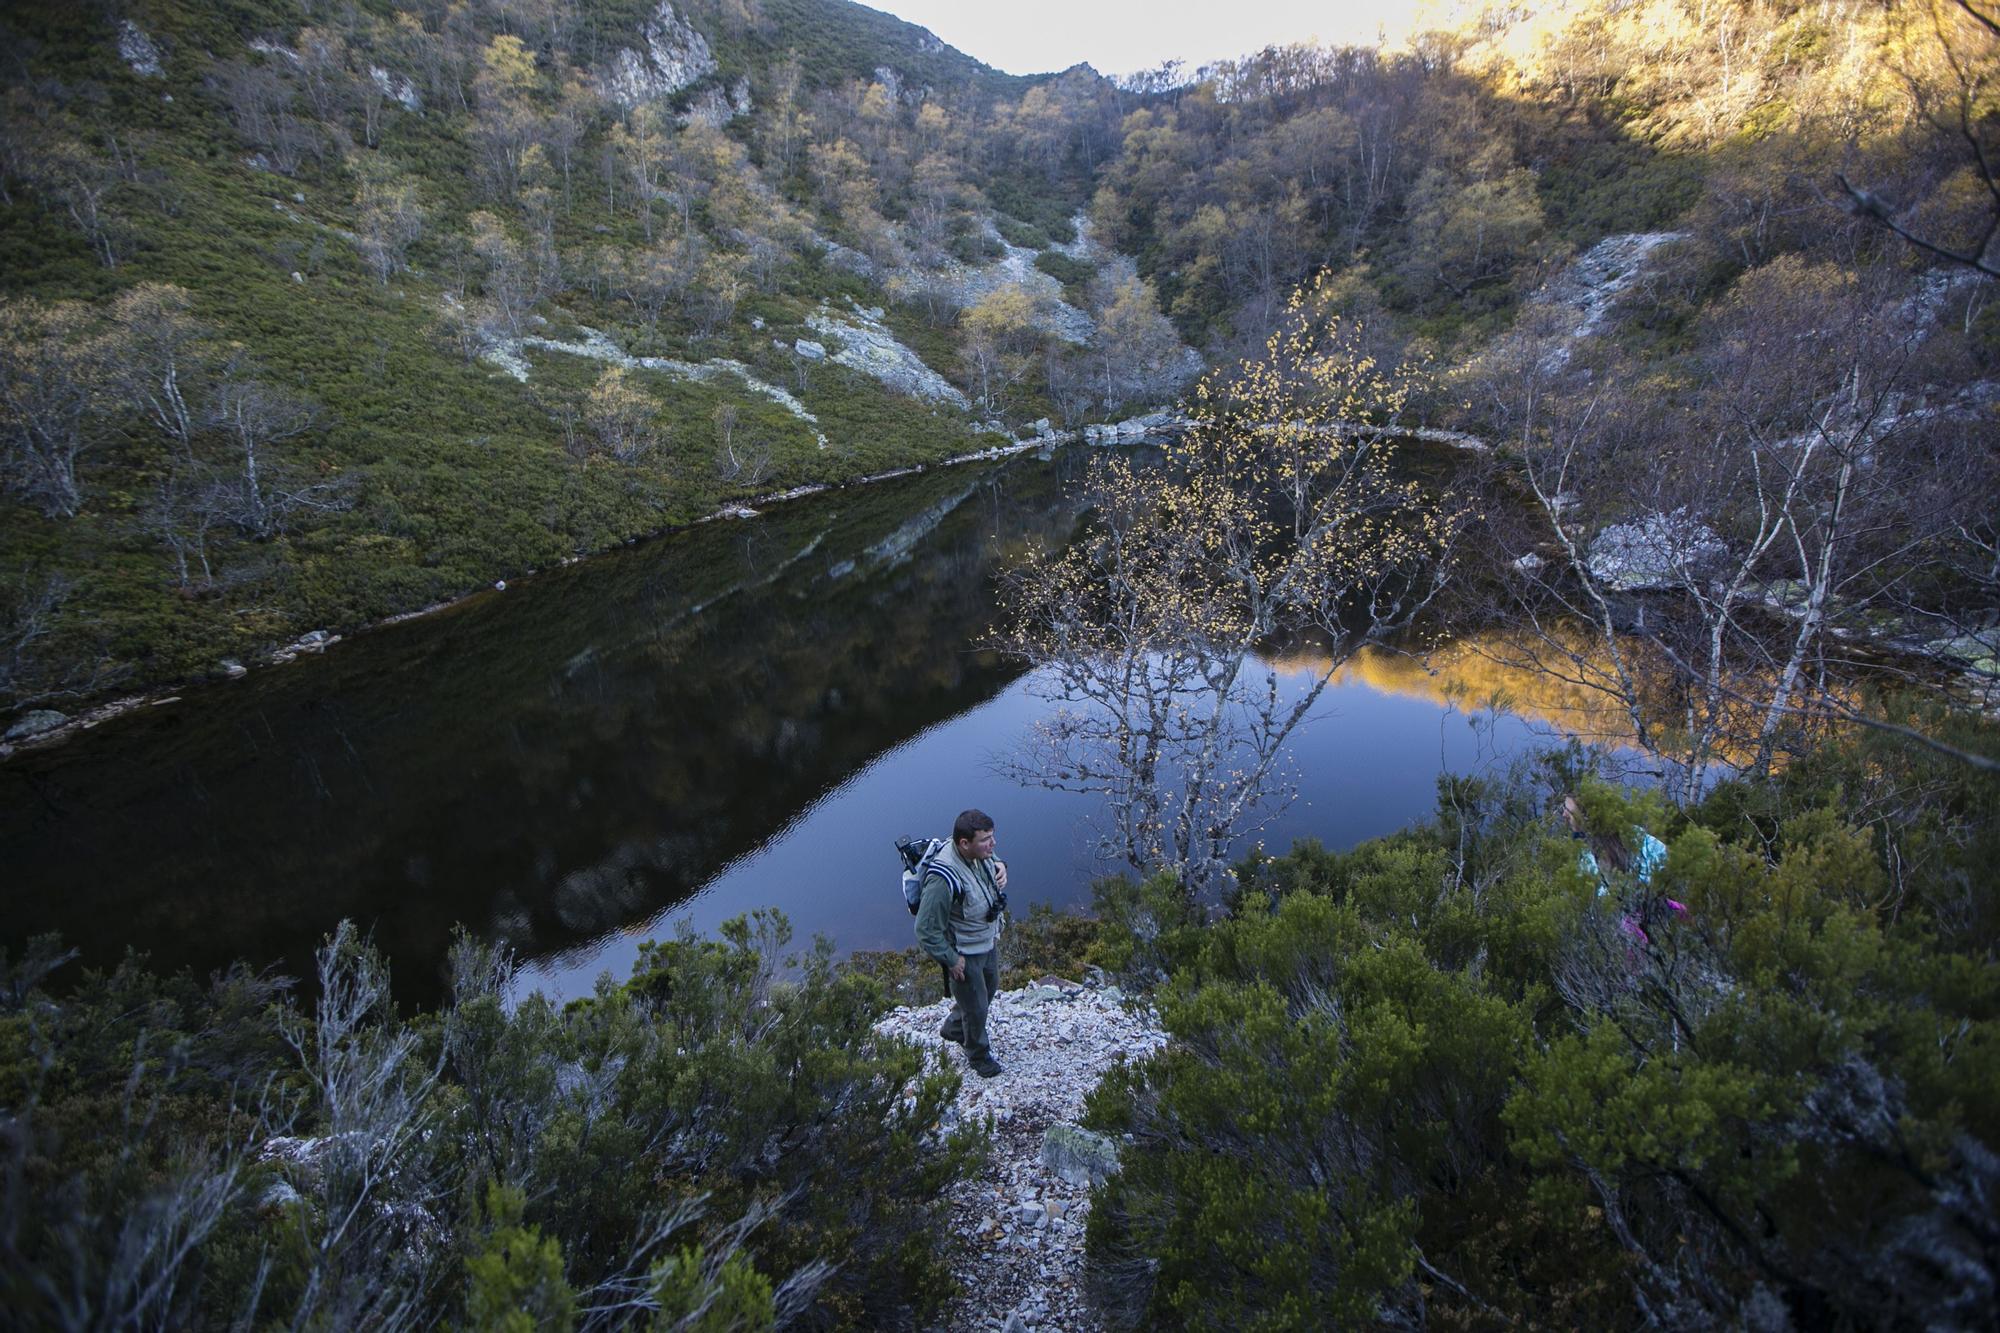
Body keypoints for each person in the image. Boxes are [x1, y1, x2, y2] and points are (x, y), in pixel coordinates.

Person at [915, 808, 1009, 1078]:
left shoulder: (975, 852)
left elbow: (991, 855)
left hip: (986, 939)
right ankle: (978, 1055)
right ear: (964, 843)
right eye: (986, 840)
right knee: (977, 1007)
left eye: (992, 837)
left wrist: (1000, 864)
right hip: (965, 953)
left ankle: (954, 1028)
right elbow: (925, 929)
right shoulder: (942, 881)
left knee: (989, 989)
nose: (992, 844)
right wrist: (951, 959)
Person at [1562, 794, 1684, 945]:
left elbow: (1666, 857)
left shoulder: (1630, 836)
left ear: (1586, 813)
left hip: (1653, 917)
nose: (1564, 814)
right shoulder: (1585, 855)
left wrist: (1643, 890)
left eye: (1568, 809)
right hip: (1621, 930)